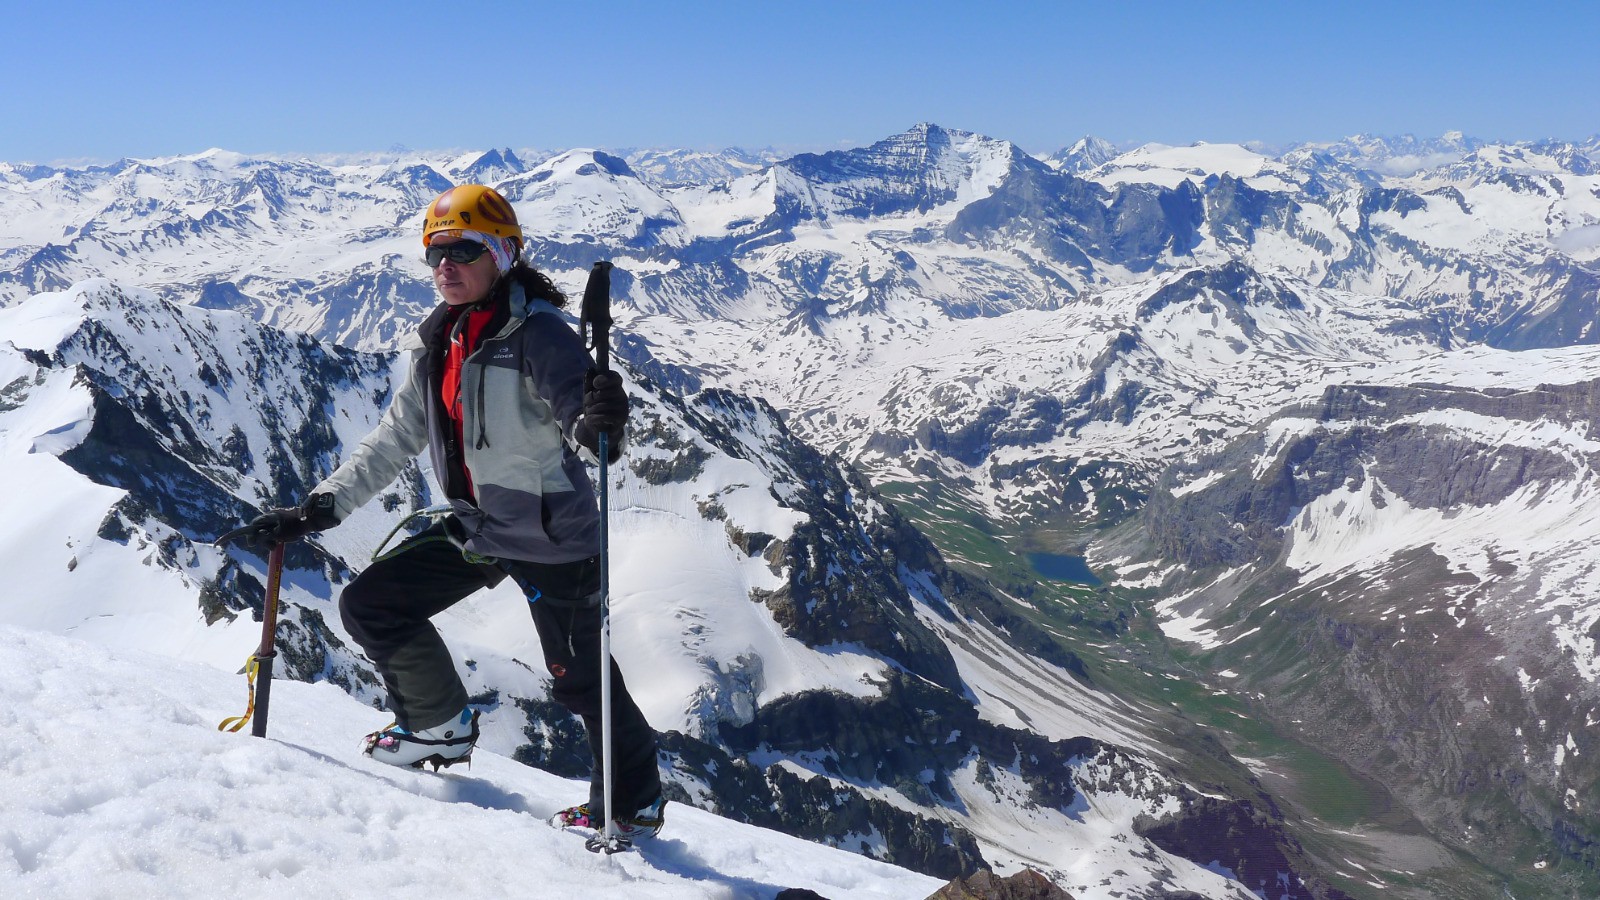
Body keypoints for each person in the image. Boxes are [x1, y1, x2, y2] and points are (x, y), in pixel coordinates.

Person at [225, 184, 665, 839]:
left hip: (555, 540)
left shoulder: (541, 336)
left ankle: (632, 803)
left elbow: (583, 417)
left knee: (580, 681)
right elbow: (395, 438)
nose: (445, 265)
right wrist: (317, 511)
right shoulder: (437, 341)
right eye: (435, 251)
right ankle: (437, 726)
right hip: (479, 527)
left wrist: (598, 418)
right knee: (373, 605)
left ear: (504, 254)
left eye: (464, 249)